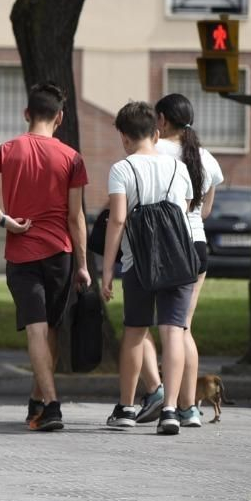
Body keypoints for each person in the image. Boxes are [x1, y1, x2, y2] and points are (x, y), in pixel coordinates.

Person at [0, 82, 90, 432]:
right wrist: (82, 265)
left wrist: (3, 219)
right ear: (61, 117)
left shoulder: (8, 149)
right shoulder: (72, 158)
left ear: (26, 113)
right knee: (51, 330)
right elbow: (75, 217)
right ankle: (51, 405)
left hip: (21, 253)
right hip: (60, 254)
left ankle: (40, 400)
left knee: (37, 330)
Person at [101, 101, 196, 435]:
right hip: (179, 260)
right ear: (156, 133)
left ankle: (126, 407)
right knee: (173, 331)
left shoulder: (122, 169)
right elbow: (183, 211)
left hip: (138, 262)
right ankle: (171, 409)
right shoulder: (179, 168)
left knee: (135, 331)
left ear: (125, 138)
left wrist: (109, 269)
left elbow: (118, 220)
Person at [153, 93, 221, 428]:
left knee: (162, 328)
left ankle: (163, 400)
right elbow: (204, 211)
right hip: (198, 247)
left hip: (167, 246)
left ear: (162, 119)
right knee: (184, 327)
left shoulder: (155, 150)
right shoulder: (207, 158)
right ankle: (190, 407)